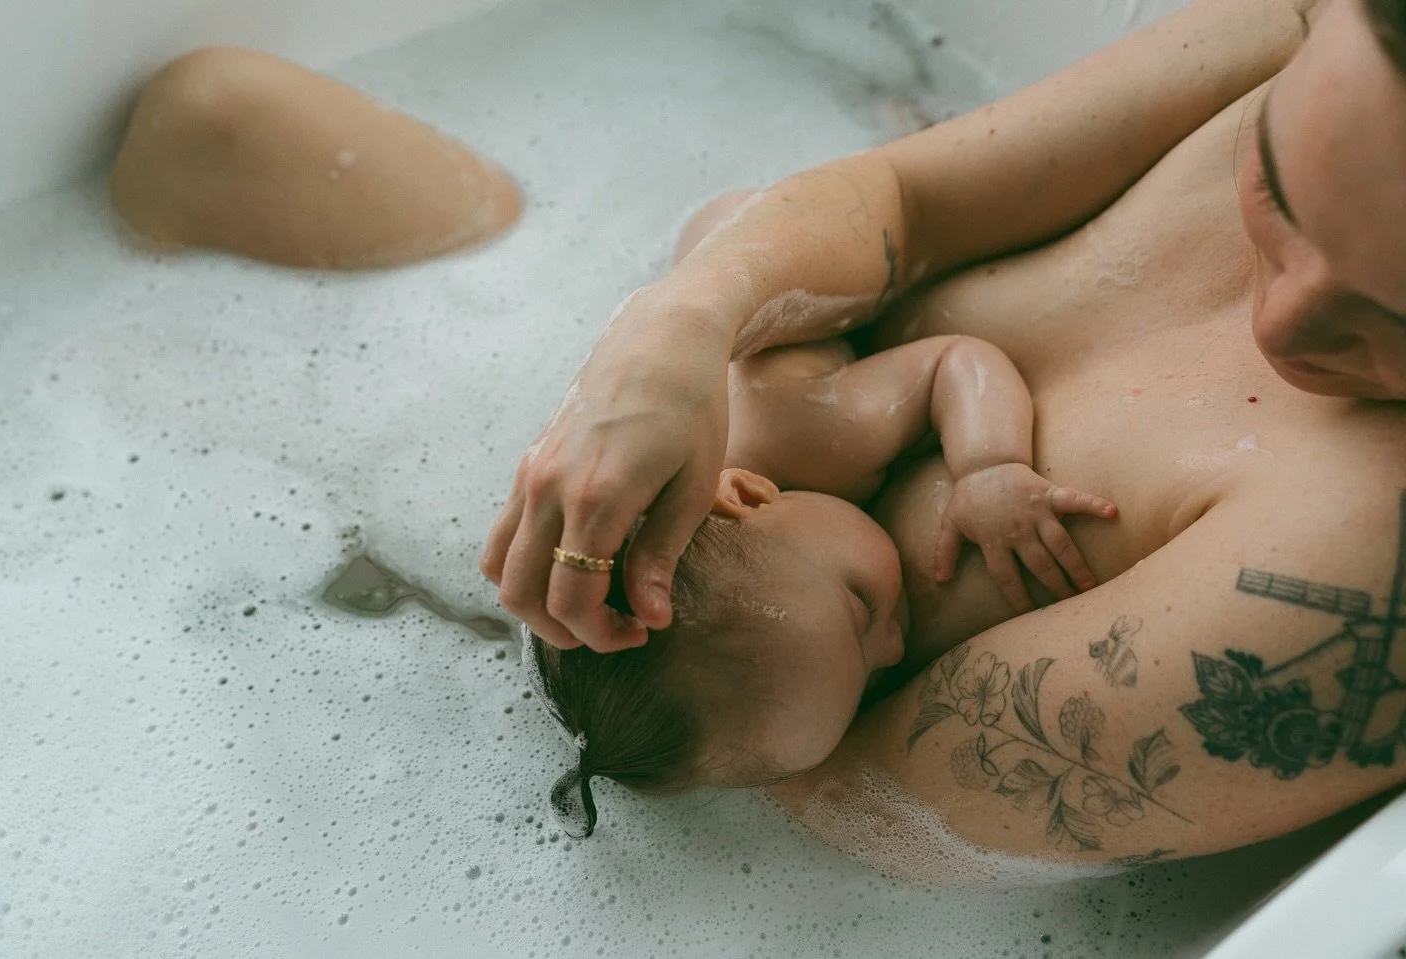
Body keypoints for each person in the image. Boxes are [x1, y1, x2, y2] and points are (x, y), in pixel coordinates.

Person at [484, 0, 1406, 872]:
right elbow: (905, 201)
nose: (1279, 324)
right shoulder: (1336, 23)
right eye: (1277, 185)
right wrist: (678, 321)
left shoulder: (1364, 569)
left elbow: (874, 807)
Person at [531, 305, 1117, 831]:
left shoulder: (818, 435)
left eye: (861, 606)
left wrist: (989, 467)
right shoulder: (790, 554)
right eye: (869, 685)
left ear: (749, 496)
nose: (893, 651)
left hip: (786, 312)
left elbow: (956, 361)